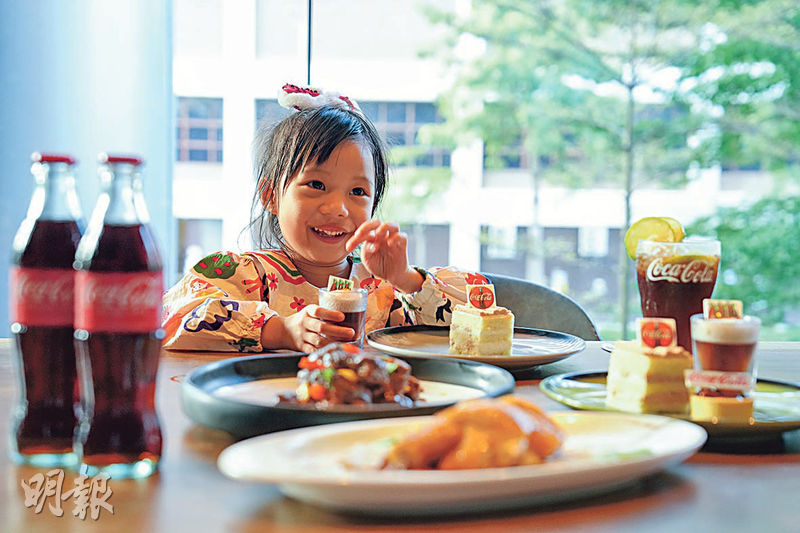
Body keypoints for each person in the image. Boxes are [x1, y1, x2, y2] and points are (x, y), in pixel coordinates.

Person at [162, 84, 488, 353]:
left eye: (357, 192)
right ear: (270, 196)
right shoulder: (244, 274)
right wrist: (280, 331)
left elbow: (483, 313)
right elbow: (170, 316)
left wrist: (404, 277)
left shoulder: (385, 290)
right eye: (316, 185)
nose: (338, 208)